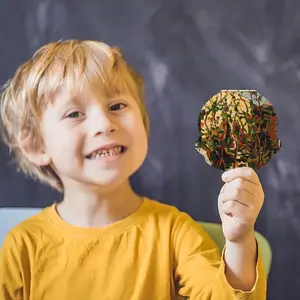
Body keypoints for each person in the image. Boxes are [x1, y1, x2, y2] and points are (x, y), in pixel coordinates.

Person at [0, 40, 266, 300]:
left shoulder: (173, 232)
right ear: (36, 145)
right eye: (74, 114)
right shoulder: (23, 246)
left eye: (117, 106)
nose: (104, 124)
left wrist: (240, 240)